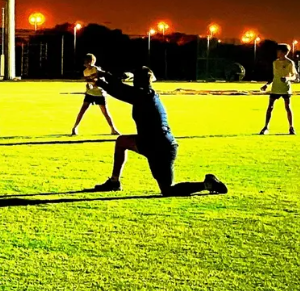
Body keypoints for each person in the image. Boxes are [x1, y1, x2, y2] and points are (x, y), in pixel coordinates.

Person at [91, 67, 227, 196]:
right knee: (121, 141)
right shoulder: (147, 94)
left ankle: (206, 185)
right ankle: (114, 182)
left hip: (157, 146)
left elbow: (120, 91)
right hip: (158, 143)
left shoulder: (142, 95)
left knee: (168, 190)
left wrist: (102, 81)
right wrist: (104, 76)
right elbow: (122, 90)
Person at [71, 53, 120, 136]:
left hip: (100, 93)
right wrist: (89, 85)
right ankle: (75, 128)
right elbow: (88, 81)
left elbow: (98, 80)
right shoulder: (85, 71)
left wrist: (93, 81)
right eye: (86, 62)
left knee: (105, 112)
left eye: (89, 61)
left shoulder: (96, 69)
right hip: (90, 93)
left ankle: (113, 129)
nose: (87, 63)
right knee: (82, 111)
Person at [260, 43, 297, 135]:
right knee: (270, 108)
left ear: (284, 52)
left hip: (285, 89)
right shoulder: (275, 62)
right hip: (275, 88)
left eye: (279, 51)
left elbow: (295, 76)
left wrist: (287, 78)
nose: (277, 52)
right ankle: (266, 127)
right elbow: (274, 76)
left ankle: (291, 127)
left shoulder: (290, 63)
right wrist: (267, 85)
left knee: (288, 107)